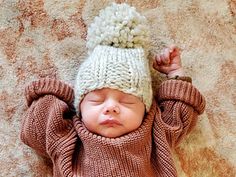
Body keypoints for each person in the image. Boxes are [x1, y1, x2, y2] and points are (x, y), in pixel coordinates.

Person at [20, 3, 205, 177]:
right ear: (80, 108)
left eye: (127, 101)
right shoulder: (69, 139)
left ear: (146, 110)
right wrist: (65, 95)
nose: (111, 108)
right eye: (96, 100)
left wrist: (175, 73)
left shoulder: (156, 134)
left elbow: (181, 115)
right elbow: (35, 130)